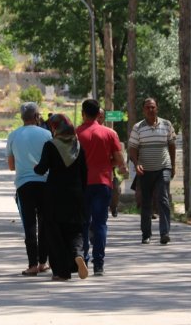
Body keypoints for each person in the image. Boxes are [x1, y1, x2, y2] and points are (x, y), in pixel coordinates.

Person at [34, 114, 89, 281]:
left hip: (55, 195)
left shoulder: (50, 145)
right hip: (75, 194)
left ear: (55, 127)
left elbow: (42, 169)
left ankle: (61, 272)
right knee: (75, 230)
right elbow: (84, 173)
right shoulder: (78, 146)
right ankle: (78, 254)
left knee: (55, 232)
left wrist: (36, 167)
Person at [76, 99, 127, 276]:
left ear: (83, 113)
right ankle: (99, 264)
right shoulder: (109, 133)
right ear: (99, 113)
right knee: (99, 225)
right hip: (103, 183)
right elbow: (119, 160)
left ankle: (83, 257)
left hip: (82, 185)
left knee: (83, 223)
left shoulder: (76, 134)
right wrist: (108, 163)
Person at [6, 102, 52, 276]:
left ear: (22, 117)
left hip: (24, 185)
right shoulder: (47, 134)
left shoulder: (13, 135)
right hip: (45, 183)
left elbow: (11, 165)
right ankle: (43, 262)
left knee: (29, 224)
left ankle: (32, 264)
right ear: (37, 116)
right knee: (45, 223)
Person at [128, 98, 177, 245]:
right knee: (146, 201)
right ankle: (146, 234)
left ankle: (164, 233)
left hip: (163, 167)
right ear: (143, 110)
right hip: (145, 170)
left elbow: (172, 146)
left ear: (157, 108)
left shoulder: (167, 124)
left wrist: (173, 165)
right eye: (148, 107)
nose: (150, 110)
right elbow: (132, 148)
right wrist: (136, 164)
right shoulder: (138, 128)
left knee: (163, 199)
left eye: (153, 107)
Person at [96, 108, 123, 217]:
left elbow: (118, 153)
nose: (98, 119)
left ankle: (113, 206)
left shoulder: (110, 133)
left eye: (101, 117)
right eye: (97, 116)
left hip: (108, 170)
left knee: (115, 189)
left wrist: (118, 165)